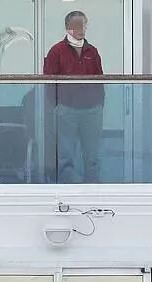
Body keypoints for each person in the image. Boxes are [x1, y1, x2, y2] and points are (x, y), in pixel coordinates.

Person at [43, 10, 104, 183]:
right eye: (76, 25)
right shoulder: (56, 51)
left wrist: (99, 104)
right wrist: (57, 106)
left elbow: (100, 80)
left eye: (83, 25)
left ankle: (93, 192)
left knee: (92, 157)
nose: (80, 29)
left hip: (91, 111)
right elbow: (49, 81)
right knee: (65, 156)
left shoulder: (92, 51)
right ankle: (67, 193)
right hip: (66, 110)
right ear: (67, 27)